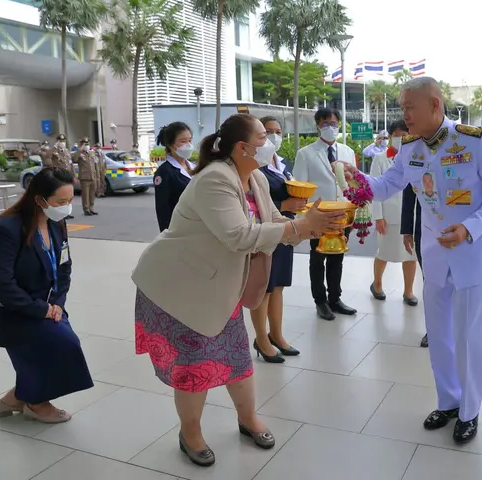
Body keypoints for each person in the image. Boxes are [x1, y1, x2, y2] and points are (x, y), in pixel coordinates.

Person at [131, 114, 343, 467]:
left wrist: (309, 226)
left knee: (237, 360)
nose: (270, 143)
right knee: (193, 367)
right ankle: (191, 434)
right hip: (184, 288)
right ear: (243, 147)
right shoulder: (216, 179)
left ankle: (248, 419)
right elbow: (239, 236)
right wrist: (301, 227)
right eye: (264, 136)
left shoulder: (253, 176)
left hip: (221, 286)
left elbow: (273, 220)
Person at [348, 77, 482, 443]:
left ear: (435, 106)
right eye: (402, 107)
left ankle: (469, 411)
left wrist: (470, 227)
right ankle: (449, 401)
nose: (403, 114)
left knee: (471, 336)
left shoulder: (473, 141)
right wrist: (357, 179)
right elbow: (386, 185)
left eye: (410, 107)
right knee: (439, 335)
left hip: (472, 254)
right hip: (435, 257)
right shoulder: (410, 149)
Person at [0, 168, 93, 424]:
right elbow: (0, 283)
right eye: (60, 202)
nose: (66, 207)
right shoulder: (6, 229)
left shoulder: (56, 224)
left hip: (41, 304)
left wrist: (57, 303)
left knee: (61, 343)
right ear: (39, 199)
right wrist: (41, 310)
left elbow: (64, 267)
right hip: (4, 309)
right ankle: (35, 402)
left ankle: (17, 398)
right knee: (59, 343)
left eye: (69, 200)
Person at [293, 108, 358, 321]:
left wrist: (355, 206)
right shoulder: (306, 153)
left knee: (337, 256)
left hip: (342, 213)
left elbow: (354, 182)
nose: (330, 127)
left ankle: (335, 298)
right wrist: (302, 220)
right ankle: (320, 301)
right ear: (318, 126)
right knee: (318, 256)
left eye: (334, 123)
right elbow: (300, 187)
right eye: (325, 124)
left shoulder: (347, 152)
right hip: (318, 215)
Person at [252, 116, 305, 363]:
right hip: (265, 232)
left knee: (279, 285)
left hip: (285, 229)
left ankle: (277, 335)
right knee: (264, 287)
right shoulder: (254, 165)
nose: (274, 136)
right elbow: (251, 203)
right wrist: (285, 204)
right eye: (268, 132)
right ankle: (261, 338)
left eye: (278, 131)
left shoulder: (283, 164)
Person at [369, 119, 418, 305]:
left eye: (404, 136)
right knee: (384, 253)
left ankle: (408, 291)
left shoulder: (416, 158)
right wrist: (378, 217)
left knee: (410, 256)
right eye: (396, 136)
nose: (400, 139)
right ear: (389, 138)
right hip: (388, 217)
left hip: (410, 217)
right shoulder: (381, 158)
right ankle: (378, 284)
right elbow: (374, 188)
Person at [153, 122, 196, 232]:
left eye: (190, 140)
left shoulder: (195, 167)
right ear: (171, 145)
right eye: (183, 141)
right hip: (179, 230)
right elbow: (163, 209)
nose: (188, 145)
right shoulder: (164, 173)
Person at [401, 183, 428, 348]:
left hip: (458, 229)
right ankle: (433, 329)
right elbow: (408, 191)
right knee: (431, 285)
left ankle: (457, 329)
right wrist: (407, 230)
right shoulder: (418, 157)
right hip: (424, 232)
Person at [72, 138, 98, 216]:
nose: (87, 146)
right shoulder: (79, 153)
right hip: (84, 177)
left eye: (88, 144)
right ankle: (86, 209)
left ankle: (91, 208)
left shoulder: (91, 153)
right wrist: (80, 149)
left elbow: (95, 164)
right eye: (85, 144)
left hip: (92, 176)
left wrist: (96, 175)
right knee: (85, 194)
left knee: (92, 193)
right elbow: (74, 159)